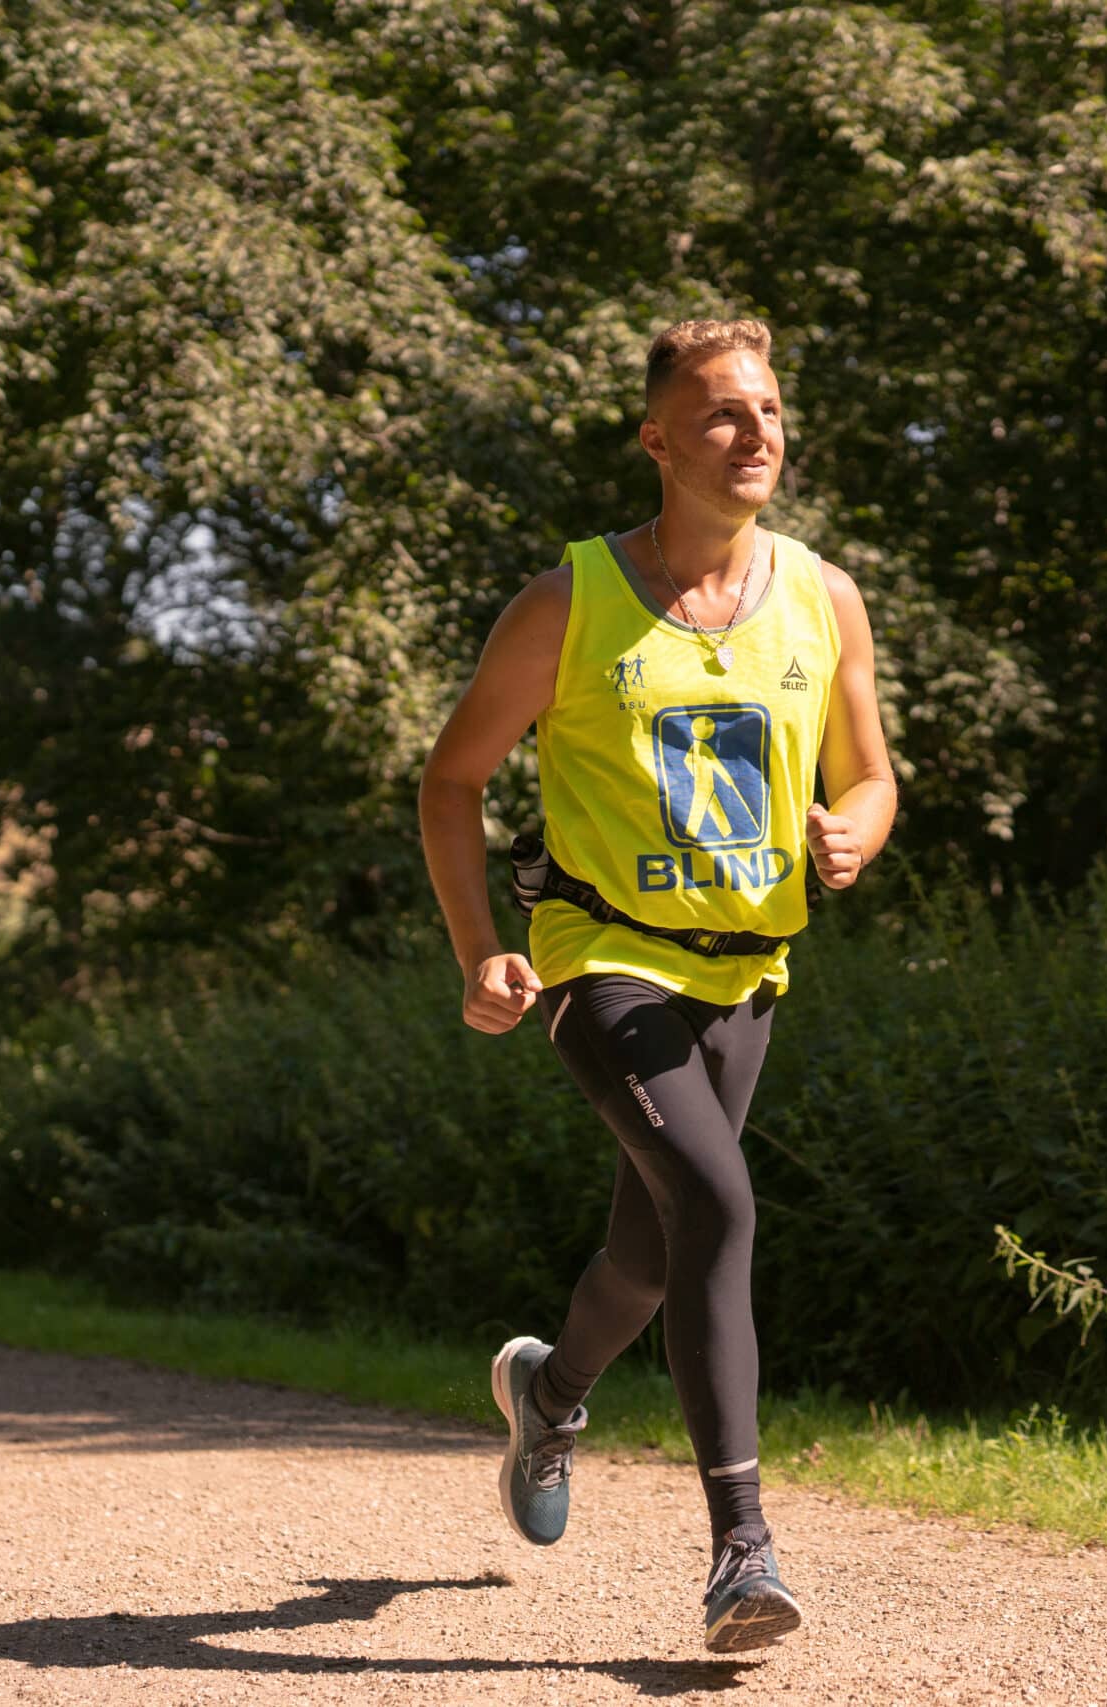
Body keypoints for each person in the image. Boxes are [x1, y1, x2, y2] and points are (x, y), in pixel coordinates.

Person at [416, 317, 897, 1653]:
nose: (758, 435)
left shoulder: (824, 597)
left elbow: (870, 769)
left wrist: (861, 823)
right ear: (659, 439)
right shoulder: (569, 603)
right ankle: (743, 1551)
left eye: (772, 411)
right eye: (725, 413)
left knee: (654, 1244)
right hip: (599, 960)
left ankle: (552, 1392)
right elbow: (450, 785)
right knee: (721, 1202)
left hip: (748, 971)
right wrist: (479, 956)